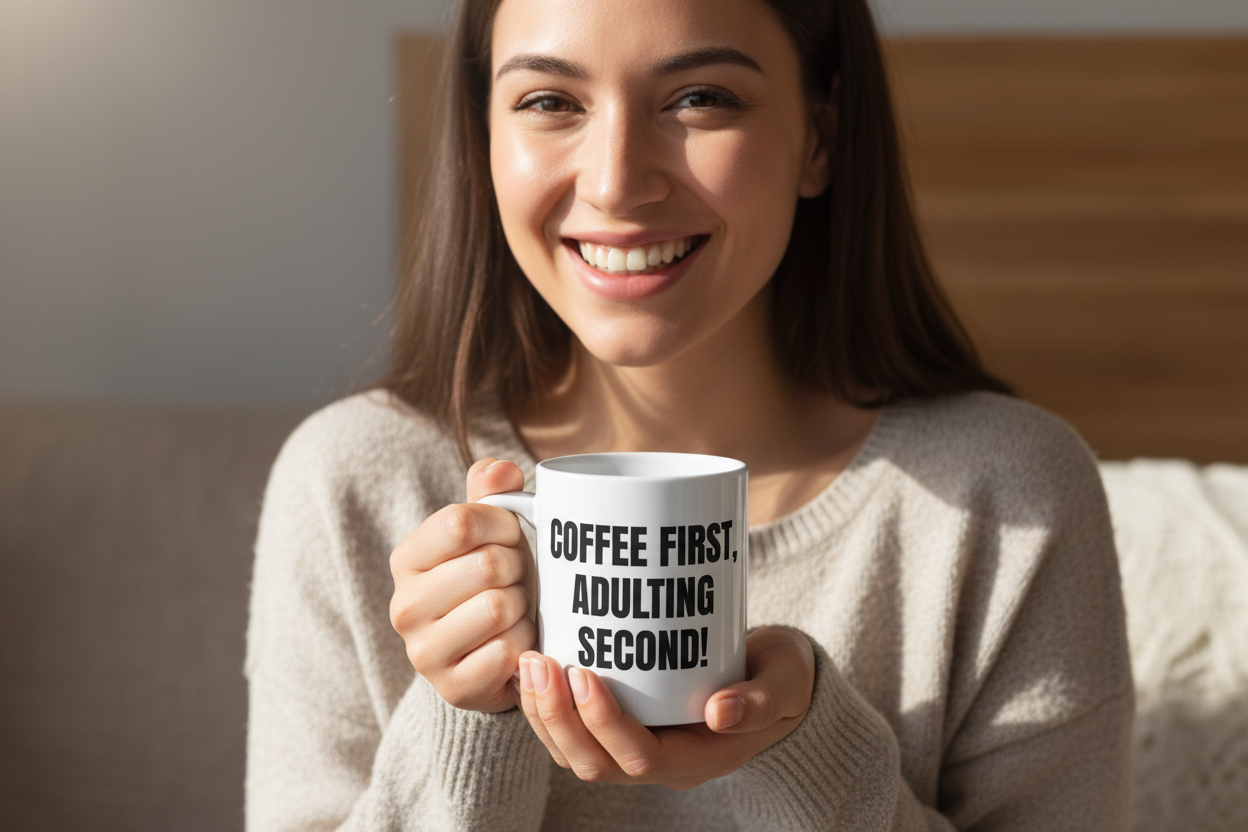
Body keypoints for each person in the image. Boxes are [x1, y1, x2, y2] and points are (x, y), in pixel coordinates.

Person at [244, 0, 1134, 828]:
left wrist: (811, 751)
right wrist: (464, 715)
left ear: (819, 139)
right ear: (484, 142)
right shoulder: (355, 481)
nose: (616, 183)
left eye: (701, 98)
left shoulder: (1008, 498)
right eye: (550, 102)